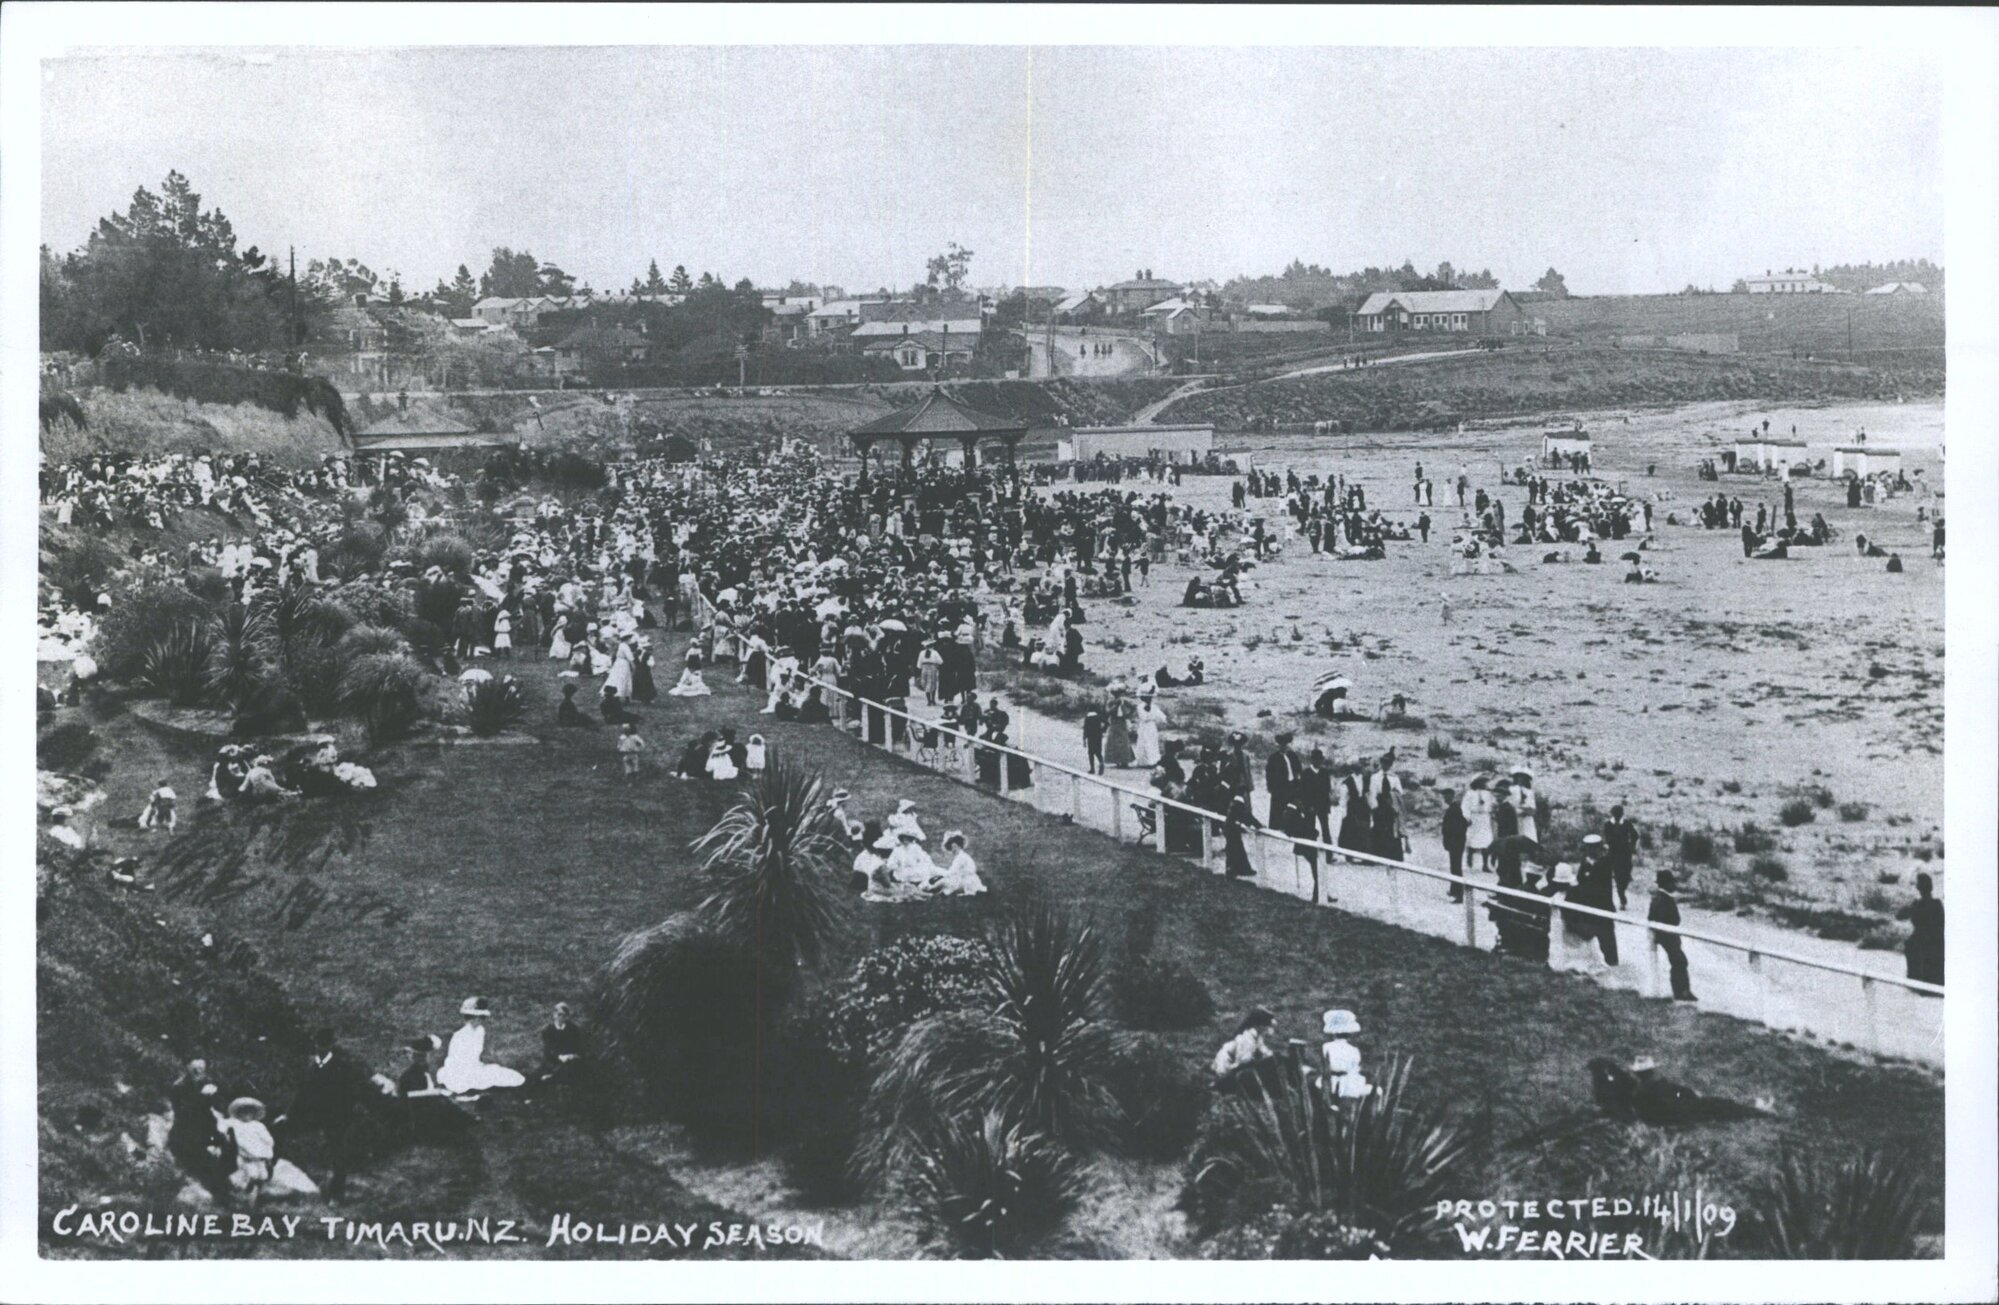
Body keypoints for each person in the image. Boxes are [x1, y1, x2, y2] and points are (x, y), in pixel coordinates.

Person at [273, 1027, 375, 1200]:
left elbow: (354, 1090)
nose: (320, 1049)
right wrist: (288, 1114)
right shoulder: (312, 1066)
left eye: (324, 1045)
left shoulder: (342, 1065)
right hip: (313, 1114)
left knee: (338, 1152)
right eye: (318, 1045)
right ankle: (288, 1182)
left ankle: (337, 1195)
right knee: (280, 1130)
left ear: (331, 1046)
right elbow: (302, 1093)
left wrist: (349, 1111)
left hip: (337, 1116)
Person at [219, 1097, 319, 1205]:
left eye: (249, 1112)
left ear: (253, 1114)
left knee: (261, 1177)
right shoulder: (236, 1123)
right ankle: (249, 1200)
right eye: (243, 1112)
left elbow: (268, 1140)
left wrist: (267, 1153)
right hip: (246, 1157)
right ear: (239, 1113)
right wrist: (223, 1131)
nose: (246, 1115)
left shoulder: (258, 1126)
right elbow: (222, 1124)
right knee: (252, 1175)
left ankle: (253, 1198)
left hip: (259, 1157)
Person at [438, 997, 527, 1097]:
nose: (481, 1020)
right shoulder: (461, 1035)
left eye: (483, 1017)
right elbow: (458, 1063)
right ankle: (471, 1090)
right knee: (499, 1076)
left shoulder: (480, 1031)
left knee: (515, 1077)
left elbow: (476, 1058)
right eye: (479, 1017)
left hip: (474, 1069)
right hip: (460, 1072)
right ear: (472, 1017)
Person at [396, 1035, 477, 1143]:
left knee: (444, 1100)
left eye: (425, 1057)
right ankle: (463, 1121)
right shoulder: (410, 1076)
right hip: (418, 1114)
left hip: (426, 1108)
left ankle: (464, 1120)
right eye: (420, 1057)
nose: (425, 1060)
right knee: (442, 1101)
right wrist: (436, 1093)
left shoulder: (426, 1073)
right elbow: (406, 1098)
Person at [1648, 871, 1696, 1001]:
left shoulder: (1661, 897)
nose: (1674, 885)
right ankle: (1681, 992)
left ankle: (1682, 991)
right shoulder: (1663, 899)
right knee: (1680, 961)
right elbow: (1662, 919)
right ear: (1666, 883)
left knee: (1679, 961)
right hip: (1667, 936)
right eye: (1672, 882)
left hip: (1668, 936)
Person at [1899, 872, 1943, 988]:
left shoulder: (1918, 904)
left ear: (1919, 888)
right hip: (1936, 938)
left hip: (1921, 937)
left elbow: (1901, 915)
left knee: (1911, 945)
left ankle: (1916, 981)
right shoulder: (1937, 904)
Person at [1212, 1007, 1278, 1084]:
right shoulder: (1246, 1037)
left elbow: (1263, 1049)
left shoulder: (1257, 1037)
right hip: (1226, 1067)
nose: (1267, 1031)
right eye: (1266, 1027)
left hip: (1235, 1065)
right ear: (1260, 1025)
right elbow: (1243, 1060)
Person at [1319, 1009, 1372, 1102]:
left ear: (1333, 1033)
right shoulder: (1354, 1050)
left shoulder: (1326, 1046)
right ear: (1349, 1034)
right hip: (1348, 1083)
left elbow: (1324, 1064)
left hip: (1329, 1081)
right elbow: (1355, 1067)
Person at [537, 1002, 591, 1083]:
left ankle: (554, 1077)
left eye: (564, 1015)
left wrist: (572, 1055)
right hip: (554, 1060)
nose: (561, 1018)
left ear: (567, 1017)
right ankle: (553, 1076)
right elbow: (548, 1050)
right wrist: (560, 1056)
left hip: (570, 1060)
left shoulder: (573, 1029)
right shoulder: (548, 1030)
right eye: (559, 1014)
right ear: (554, 1015)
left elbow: (578, 1046)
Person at [1604, 804, 1639, 907]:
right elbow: (1607, 838)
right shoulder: (1608, 824)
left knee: (1626, 875)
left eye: (1619, 814)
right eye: (1615, 814)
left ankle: (1622, 891)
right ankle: (1622, 899)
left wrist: (1631, 847)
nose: (1617, 816)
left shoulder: (1627, 823)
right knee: (1619, 877)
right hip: (1614, 854)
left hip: (1625, 854)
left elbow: (1635, 835)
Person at [934, 830, 987, 896]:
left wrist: (937, 872)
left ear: (954, 846)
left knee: (943, 881)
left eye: (951, 848)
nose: (951, 851)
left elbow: (951, 872)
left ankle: (936, 892)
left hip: (968, 882)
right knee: (944, 881)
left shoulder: (961, 858)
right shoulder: (961, 856)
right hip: (968, 879)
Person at [1440, 786, 1470, 901]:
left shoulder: (1455, 808)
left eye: (1446, 796)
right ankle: (1454, 890)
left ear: (1451, 796)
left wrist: (1450, 839)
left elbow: (1457, 826)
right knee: (1454, 867)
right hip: (1456, 841)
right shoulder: (1455, 807)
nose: (1444, 799)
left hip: (1456, 842)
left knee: (1456, 868)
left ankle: (1459, 894)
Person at [1461, 777, 1495, 873]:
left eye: (1484, 782)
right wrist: (1467, 818)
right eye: (1482, 782)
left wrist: (1491, 812)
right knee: (1472, 840)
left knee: (1486, 841)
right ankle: (1469, 858)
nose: (1484, 784)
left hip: (1484, 818)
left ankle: (1485, 864)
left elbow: (1491, 805)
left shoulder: (1488, 794)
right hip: (1474, 817)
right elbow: (1465, 806)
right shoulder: (1470, 794)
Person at [1082, 706, 1106, 775]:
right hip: (1098, 736)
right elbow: (1107, 723)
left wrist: (1084, 739)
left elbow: (1085, 729)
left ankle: (1092, 769)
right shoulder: (1098, 717)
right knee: (1098, 752)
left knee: (1091, 753)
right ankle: (1101, 762)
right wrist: (1103, 730)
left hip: (1090, 737)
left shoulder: (1087, 718)